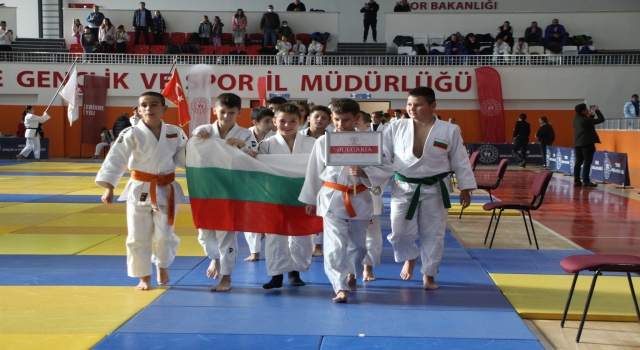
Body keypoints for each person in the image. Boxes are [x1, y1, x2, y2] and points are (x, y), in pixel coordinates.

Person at [299, 98, 392, 302]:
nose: (341, 125)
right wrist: (310, 199)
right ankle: (340, 286)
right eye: (337, 120)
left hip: (359, 197)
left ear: (357, 118)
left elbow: (387, 168)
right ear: (332, 118)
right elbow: (314, 171)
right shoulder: (323, 141)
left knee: (359, 246)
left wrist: (364, 171)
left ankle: (352, 272)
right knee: (334, 246)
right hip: (332, 197)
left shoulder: (370, 141)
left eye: (346, 120)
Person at [383, 87, 475, 290]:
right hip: (403, 185)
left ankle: (429, 274)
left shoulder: (449, 130)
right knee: (399, 233)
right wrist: (370, 179)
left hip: (435, 188)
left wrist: (465, 188)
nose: (411, 108)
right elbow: (382, 156)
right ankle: (410, 256)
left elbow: (460, 160)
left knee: (433, 233)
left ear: (432, 106)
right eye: (409, 104)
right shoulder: (395, 127)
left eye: (417, 104)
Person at [96, 91, 187, 291]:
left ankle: (162, 264)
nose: (148, 109)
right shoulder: (130, 133)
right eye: (144, 105)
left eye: (154, 105)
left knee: (165, 234)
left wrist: (200, 145)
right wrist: (109, 187)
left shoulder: (175, 132)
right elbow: (116, 159)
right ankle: (143, 276)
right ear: (138, 110)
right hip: (139, 189)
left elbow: (185, 156)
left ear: (164, 109)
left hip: (166, 188)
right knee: (138, 235)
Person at [192, 93, 258, 292]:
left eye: (231, 113)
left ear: (239, 112)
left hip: (232, 189)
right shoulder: (202, 130)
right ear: (214, 110)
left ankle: (226, 277)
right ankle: (215, 258)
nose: (226, 117)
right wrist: (198, 140)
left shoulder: (246, 134)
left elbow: (254, 159)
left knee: (228, 233)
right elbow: (191, 154)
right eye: (222, 112)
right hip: (206, 188)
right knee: (204, 233)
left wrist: (243, 148)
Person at [259, 104, 317, 289]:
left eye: (293, 121)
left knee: (302, 234)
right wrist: (251, 155)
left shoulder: (312, 143)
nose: (287, 125)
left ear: (301, 121)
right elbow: (256, 169)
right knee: (275, 235)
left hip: (303, 194)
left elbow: (318, 169)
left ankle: (295, 271)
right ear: (274, 121)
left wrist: (314, 196)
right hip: (275, 195)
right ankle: (276, 275)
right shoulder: (266, 145)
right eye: (282, 121)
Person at [354, 111, 386, 282]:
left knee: (372, 235)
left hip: (369, 194)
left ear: (368, 126)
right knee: (346, 235)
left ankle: (368, 268)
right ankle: (350, 269)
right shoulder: (336, 143)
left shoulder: (376, 145)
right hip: (345, 196)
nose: (353, 127)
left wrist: (365, 174)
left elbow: (385, 170)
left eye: (357, 124)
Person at [242, 107, 276, 262]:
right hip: (249, 182)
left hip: (270, 182)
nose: (270, 125)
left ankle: (274, 248)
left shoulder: (275, 138)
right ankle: (254, 251)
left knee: (271, 216)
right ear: (255, 122)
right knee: (251, 216)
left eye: (272, 121)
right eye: (266, 121)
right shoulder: (243, 136)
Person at [299, 105, 332, 256]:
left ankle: (318, 245)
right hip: (301, 178)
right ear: (308, 118)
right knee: (304, 215)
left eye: (324, 117)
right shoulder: (298, 136)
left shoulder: (333, 138)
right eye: (316, 116)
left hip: (327, 180)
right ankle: (305, 245)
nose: (319, 120)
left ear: (329, 121)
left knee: (324, 214)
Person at [573, 103, 605, 188]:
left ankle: (577, 180)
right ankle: (586, 180)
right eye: (586, 108)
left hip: (577, 142)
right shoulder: (585, 120)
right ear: (583, 111)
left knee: (578, 162)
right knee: (587, 161)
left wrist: (591, 115)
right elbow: (601, 119)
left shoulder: (575, 119)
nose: (587, 109)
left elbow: (587, 123)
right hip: (587, 143)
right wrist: (597, 111)